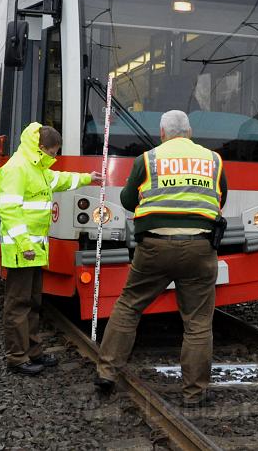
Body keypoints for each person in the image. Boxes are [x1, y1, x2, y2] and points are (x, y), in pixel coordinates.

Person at [95, 110, 227, 407]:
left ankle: (106, 372)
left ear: (162, 133)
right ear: (189, 132)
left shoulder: (148, 159)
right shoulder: (213, 160)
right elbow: (220, 198)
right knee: (197, 322)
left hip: (154, 247)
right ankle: (194, 393)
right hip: (199, 248)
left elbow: (128, 200)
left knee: (129, 306)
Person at [0, 122, 102, 375]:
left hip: (33, 249)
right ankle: (17, 358)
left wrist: (88, 178)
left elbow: (60, 179)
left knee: (33, 302)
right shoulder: (17, 169)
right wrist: (24, 244)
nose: (54, 157)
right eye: (53, 152)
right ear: (41, 147)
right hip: (22, 249)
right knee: (18, 304)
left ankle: (32, 352)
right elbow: (10, 211)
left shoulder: (37, 167)